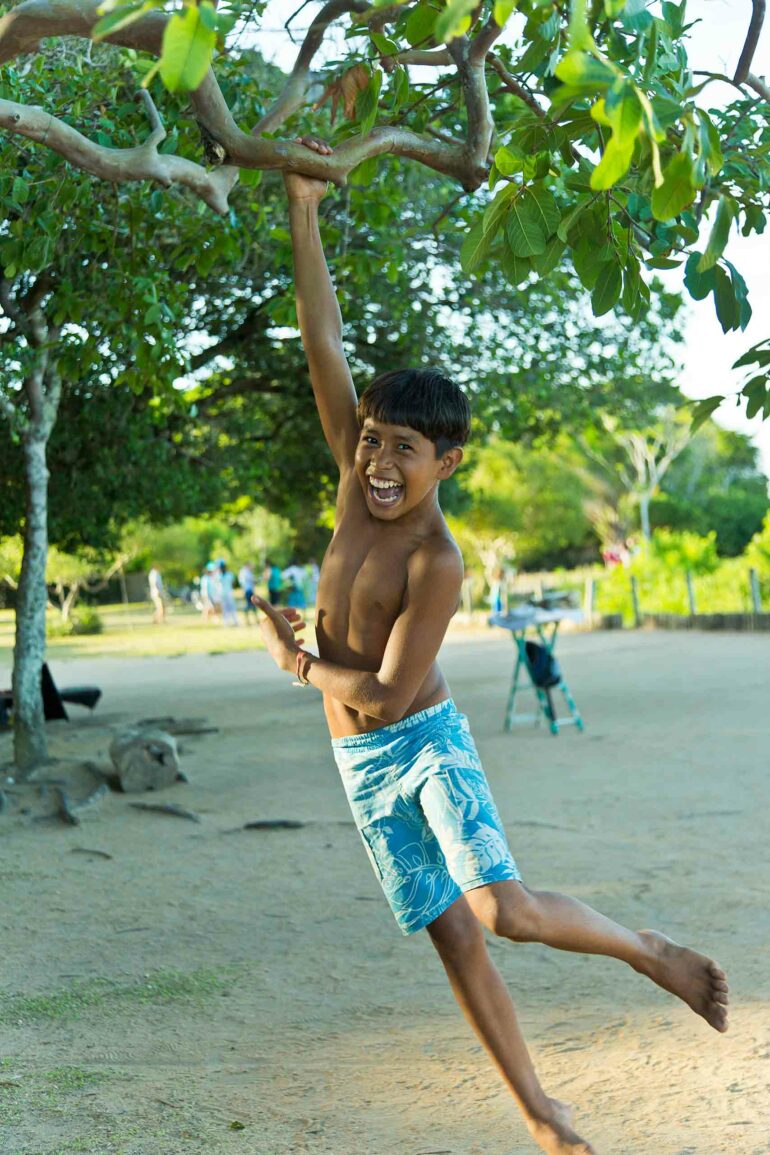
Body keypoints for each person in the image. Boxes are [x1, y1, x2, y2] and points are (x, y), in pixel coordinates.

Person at [253, 139, 729, 1155]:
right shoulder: (353, 483)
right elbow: (322, 341)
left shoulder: (436, 561)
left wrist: (296, 663)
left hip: (420, 745)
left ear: (448, 463)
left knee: (502, 911)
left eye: (404, 450)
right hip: (357, 766)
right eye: (371, 441)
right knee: (453, 939)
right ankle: (543, 1116)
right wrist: (303, 208)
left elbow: (387, 695)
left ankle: (645, 950)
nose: (379, 462)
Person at [218, 560, 239, 627]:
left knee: (226, 608)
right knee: (230, 608)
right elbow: (233, 583)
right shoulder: (228, 574)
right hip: (227, 593)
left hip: (224, 593)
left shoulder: (220, 575)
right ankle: (232, 622)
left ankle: (229, 622)